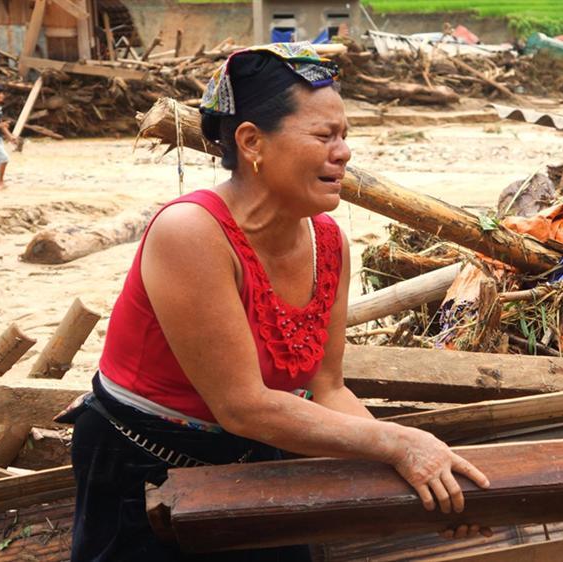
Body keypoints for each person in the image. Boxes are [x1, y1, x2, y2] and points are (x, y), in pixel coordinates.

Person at [61, 43, 491, 562]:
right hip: (143, 466)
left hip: (258, 456)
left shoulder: (328, 241)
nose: (344, 152)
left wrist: (418, 479)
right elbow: (242, 404)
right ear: (251, 142)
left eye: (345, 136)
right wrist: (400, 444)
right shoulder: (191, 232)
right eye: (324, 135)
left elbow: (328, 388)